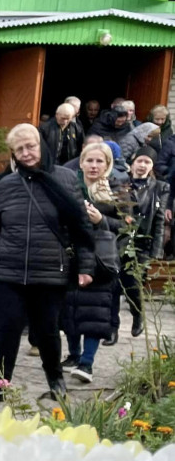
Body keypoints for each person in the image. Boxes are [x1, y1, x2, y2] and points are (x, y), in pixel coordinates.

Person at [0, 124, 95, 406]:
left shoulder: (64, 178)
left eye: (31, 146)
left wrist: (86, 268)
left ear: (42, 146)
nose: (26, 153)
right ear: (14, 154)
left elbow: (81, 226)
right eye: (19, 149)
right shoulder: (6, 184)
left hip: (50, 271)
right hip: (8, 271)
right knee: (6, 330)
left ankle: (56, 381)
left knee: (47, 331)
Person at [60, 142, 120, 383]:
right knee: (71, 307)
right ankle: (73, 355)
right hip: (71, 256)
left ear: (108, 164)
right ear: (81, 162)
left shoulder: (117, 190)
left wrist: (101, 220)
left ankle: (87, 362)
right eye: (90, 161)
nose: (94, 166)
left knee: (95, 310)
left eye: (100, 161)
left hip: (100, 260)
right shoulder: (70, 187)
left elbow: (128, 225)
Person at [113, 146, 168, 341]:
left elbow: (159, 220)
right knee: (113, 285)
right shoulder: (119, 183)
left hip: (142, 243)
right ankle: (112, 328)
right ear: (133, 162)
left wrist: (157, 250)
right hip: (119, 241)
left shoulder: (159, 187)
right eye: (140, 161)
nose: (143, 165)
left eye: (147, 162)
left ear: (151, 166)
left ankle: (137, 315)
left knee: (132, 285)